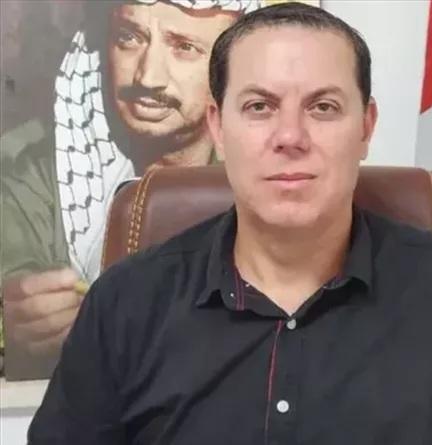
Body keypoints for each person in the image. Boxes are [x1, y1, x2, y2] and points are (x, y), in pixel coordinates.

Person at [28, 3, 432, 444]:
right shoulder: (125, 304)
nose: (290, 137)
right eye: (260, 106)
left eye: (323, 107)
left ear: (366, 128)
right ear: (218, 125)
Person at [0, 0, 260, 378]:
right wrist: (18, 327)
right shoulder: (30, 177)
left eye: (184, 47)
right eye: (129, 38)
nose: (148, 77)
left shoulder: (271, 182)